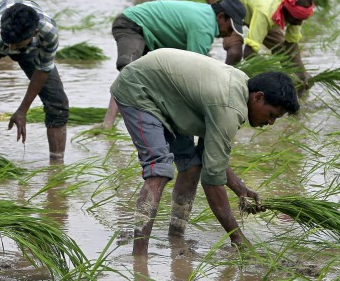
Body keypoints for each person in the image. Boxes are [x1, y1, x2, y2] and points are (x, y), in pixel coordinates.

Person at [110, 48, 299, 256]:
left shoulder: (242, 89)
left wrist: (241, 190)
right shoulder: (230, 107)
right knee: (159, 170)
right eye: (271, 114)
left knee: (192, 166)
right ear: (258, 97)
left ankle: (175, 237)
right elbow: (212, 181)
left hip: (169, 96)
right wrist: (237, 237)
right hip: (138, 88)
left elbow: (212, 159)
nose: (270, 123)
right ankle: (139, 256)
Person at [103, 0, 247, 127]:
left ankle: (150, 121)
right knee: (128, 73)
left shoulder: (205, 14)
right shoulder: (204, 27)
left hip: (149, 33)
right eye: (230, 27)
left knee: (148, 79)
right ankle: (108, 124)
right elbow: (193, 72)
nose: (229, 33)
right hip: (132, 24)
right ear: (221, 17)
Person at [0, 0, 70, 161]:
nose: (10, 50)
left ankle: (57, 165)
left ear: (34, 33)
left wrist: (22, 110)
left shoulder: (48, 32)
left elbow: (43, 70)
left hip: (30, 48)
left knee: (57, 103)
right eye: (8, 45)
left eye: (15, 46)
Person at [226, 0, 315, 83]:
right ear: (286, 11)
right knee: (235, 53)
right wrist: (272, 74)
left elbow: (291, 47)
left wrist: (301, 74)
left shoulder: (296, 2)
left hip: (258, 0)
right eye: (297, 19)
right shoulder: (265, 11)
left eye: (302, 20)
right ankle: (226, 82)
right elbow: (249, 52)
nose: (299, 23)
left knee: (282, 52)